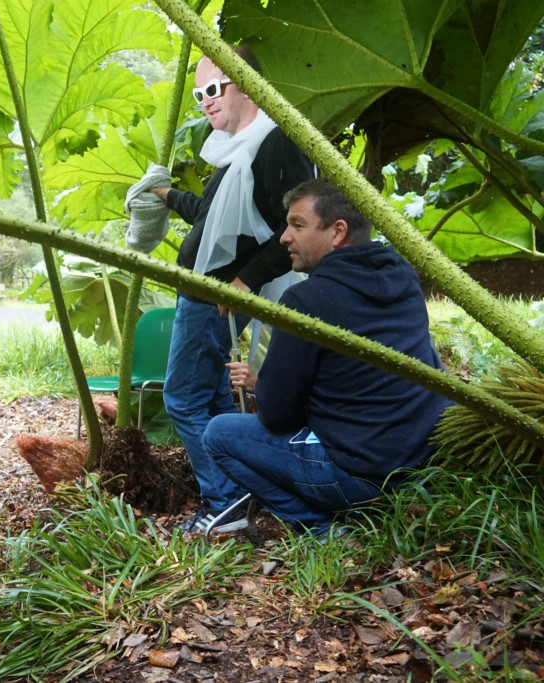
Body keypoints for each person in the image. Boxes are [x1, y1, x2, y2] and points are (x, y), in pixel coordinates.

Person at [205, 178, 452, 536]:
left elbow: (276, 416)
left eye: (298, 225)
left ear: (338, 232)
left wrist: (264, 386)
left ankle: (320, 530)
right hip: (417, 464)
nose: (284, 237)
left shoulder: (306, 302)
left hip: (361, 476)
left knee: (219, 434)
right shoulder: (402, 275)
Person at [146, 46, 315, 534]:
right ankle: (238, 496)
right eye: (199, 93)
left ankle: (222, 505)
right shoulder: (239, 148)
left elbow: (298, 227)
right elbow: (211, 217)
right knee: (215, 397)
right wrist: (164, 195)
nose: (204, 101)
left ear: (246, 84)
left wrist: (245, 281)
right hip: (207, 292)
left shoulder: (273, 142)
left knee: (182, 397)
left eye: (213, 89)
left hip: (214, 296)